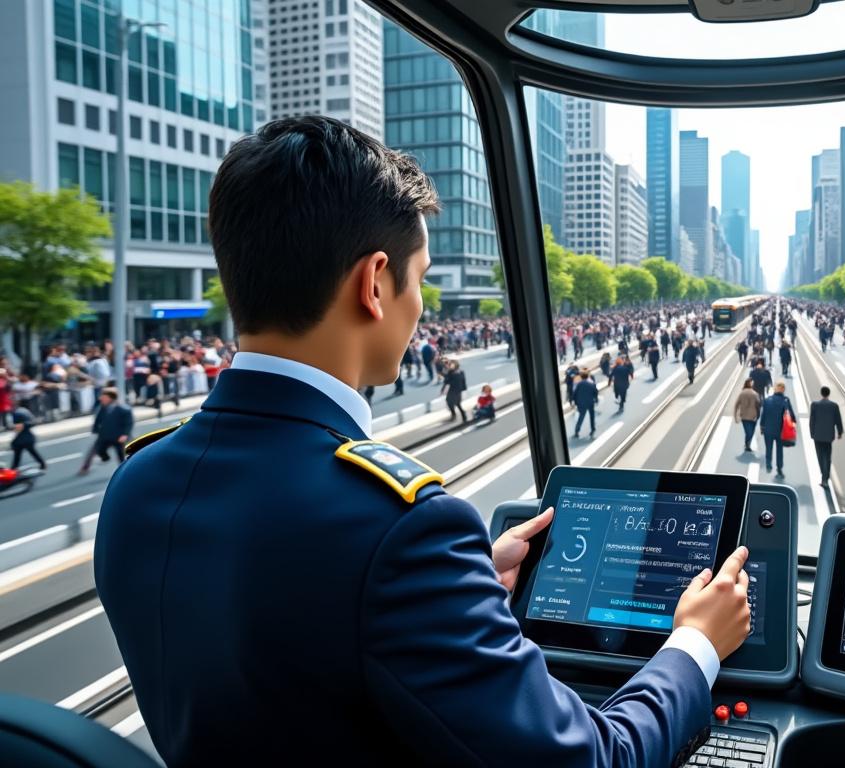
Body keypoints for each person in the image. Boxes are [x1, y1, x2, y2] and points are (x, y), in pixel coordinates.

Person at [94, 118, 751, 766]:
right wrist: (694, 643)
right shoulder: (402, 529)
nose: (423, 308)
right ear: (374, 283)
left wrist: (458, 590)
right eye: (421, 278)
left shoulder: (138, 482)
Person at [78, 388, 133, 475]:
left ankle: (125, 471)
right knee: (95, 450)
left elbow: (128, 423)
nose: (101, 399)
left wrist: (125, 435)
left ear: (110, 398)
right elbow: (98, 419)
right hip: (104, 436)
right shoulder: (103, 408)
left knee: (121, 456)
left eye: (103, 397)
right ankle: (86, 467)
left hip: (118, 437)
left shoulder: (123, 409)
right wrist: (95, 429)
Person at [759, 383, 796, 480]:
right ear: (783, 389)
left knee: (768, 448)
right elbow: (791, 415)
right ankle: (779, 468)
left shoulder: (767, 400)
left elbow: (763, 415)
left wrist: (762, 427)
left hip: (768, 429)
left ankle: (768, 464)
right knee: (779, 450)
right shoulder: (785, 400)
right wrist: (793, 423)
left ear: (775, 389)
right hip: (781, 430)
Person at [810, 386, 843, 488]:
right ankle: (825, 477)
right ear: (828, 394)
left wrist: (812, 433)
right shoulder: (834, 406)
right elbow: (838, 420)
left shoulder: (815, 405)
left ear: (821, 393)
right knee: (827, 457)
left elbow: (812, 420)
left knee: (820, 456)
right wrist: (840, 432)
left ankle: (823, 475)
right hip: (829, 435)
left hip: (817, 435)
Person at [734, 379, 762, 453]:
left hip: (745, 416)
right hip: (753, 416)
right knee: (750, 432)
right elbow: (759, 404)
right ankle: (747, 444)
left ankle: (747, 443)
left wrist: (735, 416)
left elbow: (736, 405)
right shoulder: (755, 394)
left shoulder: (742, 393)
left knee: (748, 432)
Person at [573, 369, 599, 439]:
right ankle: (593, 429)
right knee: (592, 416)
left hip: (582, 403)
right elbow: (596, 392)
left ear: (581, 377)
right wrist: (596, 399)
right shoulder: (592, 383)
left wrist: (575, 402)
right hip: (590, 402)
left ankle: (577, 431)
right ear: (587, 376)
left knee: (581, 417)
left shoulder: (579, 384)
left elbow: (575, 394)